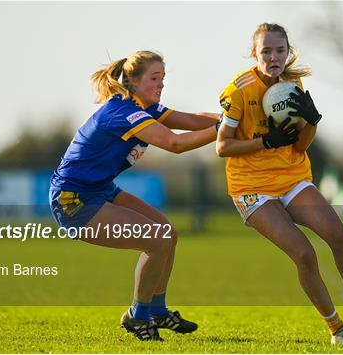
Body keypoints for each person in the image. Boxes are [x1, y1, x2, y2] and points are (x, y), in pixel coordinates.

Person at [215, 23, 343, 345]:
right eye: (265, 51)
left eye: (279, 50)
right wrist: (266, 142)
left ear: (288, 52)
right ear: (254, 54)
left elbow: (299, 146)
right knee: (305, 254)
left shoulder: (291, 83)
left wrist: (312, 121)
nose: (273, 56)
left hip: (293, 176)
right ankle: (337, 329)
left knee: (338, 235)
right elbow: (222, 147)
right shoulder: (237, 90)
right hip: (251, 188)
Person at [49, 50, 218, 341]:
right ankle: (138, 317)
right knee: (157, 240)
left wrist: (234, 117)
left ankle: (156, 309)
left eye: (163, 78)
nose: (161, 84)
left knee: (169, 235)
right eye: (155, 78)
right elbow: (175, 143)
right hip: (73, 200)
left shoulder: (144, 107)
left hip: (100, 190)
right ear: (133, 81)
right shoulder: (123, 113)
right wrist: (224, 128)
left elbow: (191, 120)